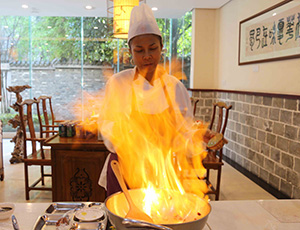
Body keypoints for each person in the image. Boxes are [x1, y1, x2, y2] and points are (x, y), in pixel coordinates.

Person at [98, 3, 194, 197]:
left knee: (162, 220)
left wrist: (200, 136)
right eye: (139, 50)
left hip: (163, 170)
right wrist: (128, 137)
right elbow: (105, 124)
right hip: (124, 169)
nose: (147, 56)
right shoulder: (118, 83)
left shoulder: (175, 86)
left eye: (153, 48)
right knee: (122, 220)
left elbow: (186, 130)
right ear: (131, 52)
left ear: (161, 48)